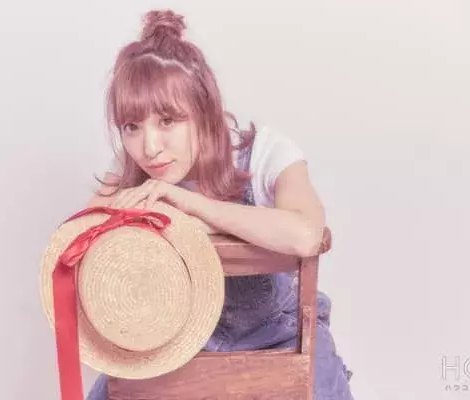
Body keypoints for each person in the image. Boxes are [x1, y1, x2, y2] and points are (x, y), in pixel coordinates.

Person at [85, 9, 354, 400]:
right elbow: (75, 242)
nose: (149, 147)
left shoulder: (266, 153)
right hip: (174, 348)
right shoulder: (131, 168)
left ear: (204, 112)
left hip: (276, 340)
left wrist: (191, 206)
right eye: (131, 127)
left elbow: (306, 235)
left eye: (167, 121)